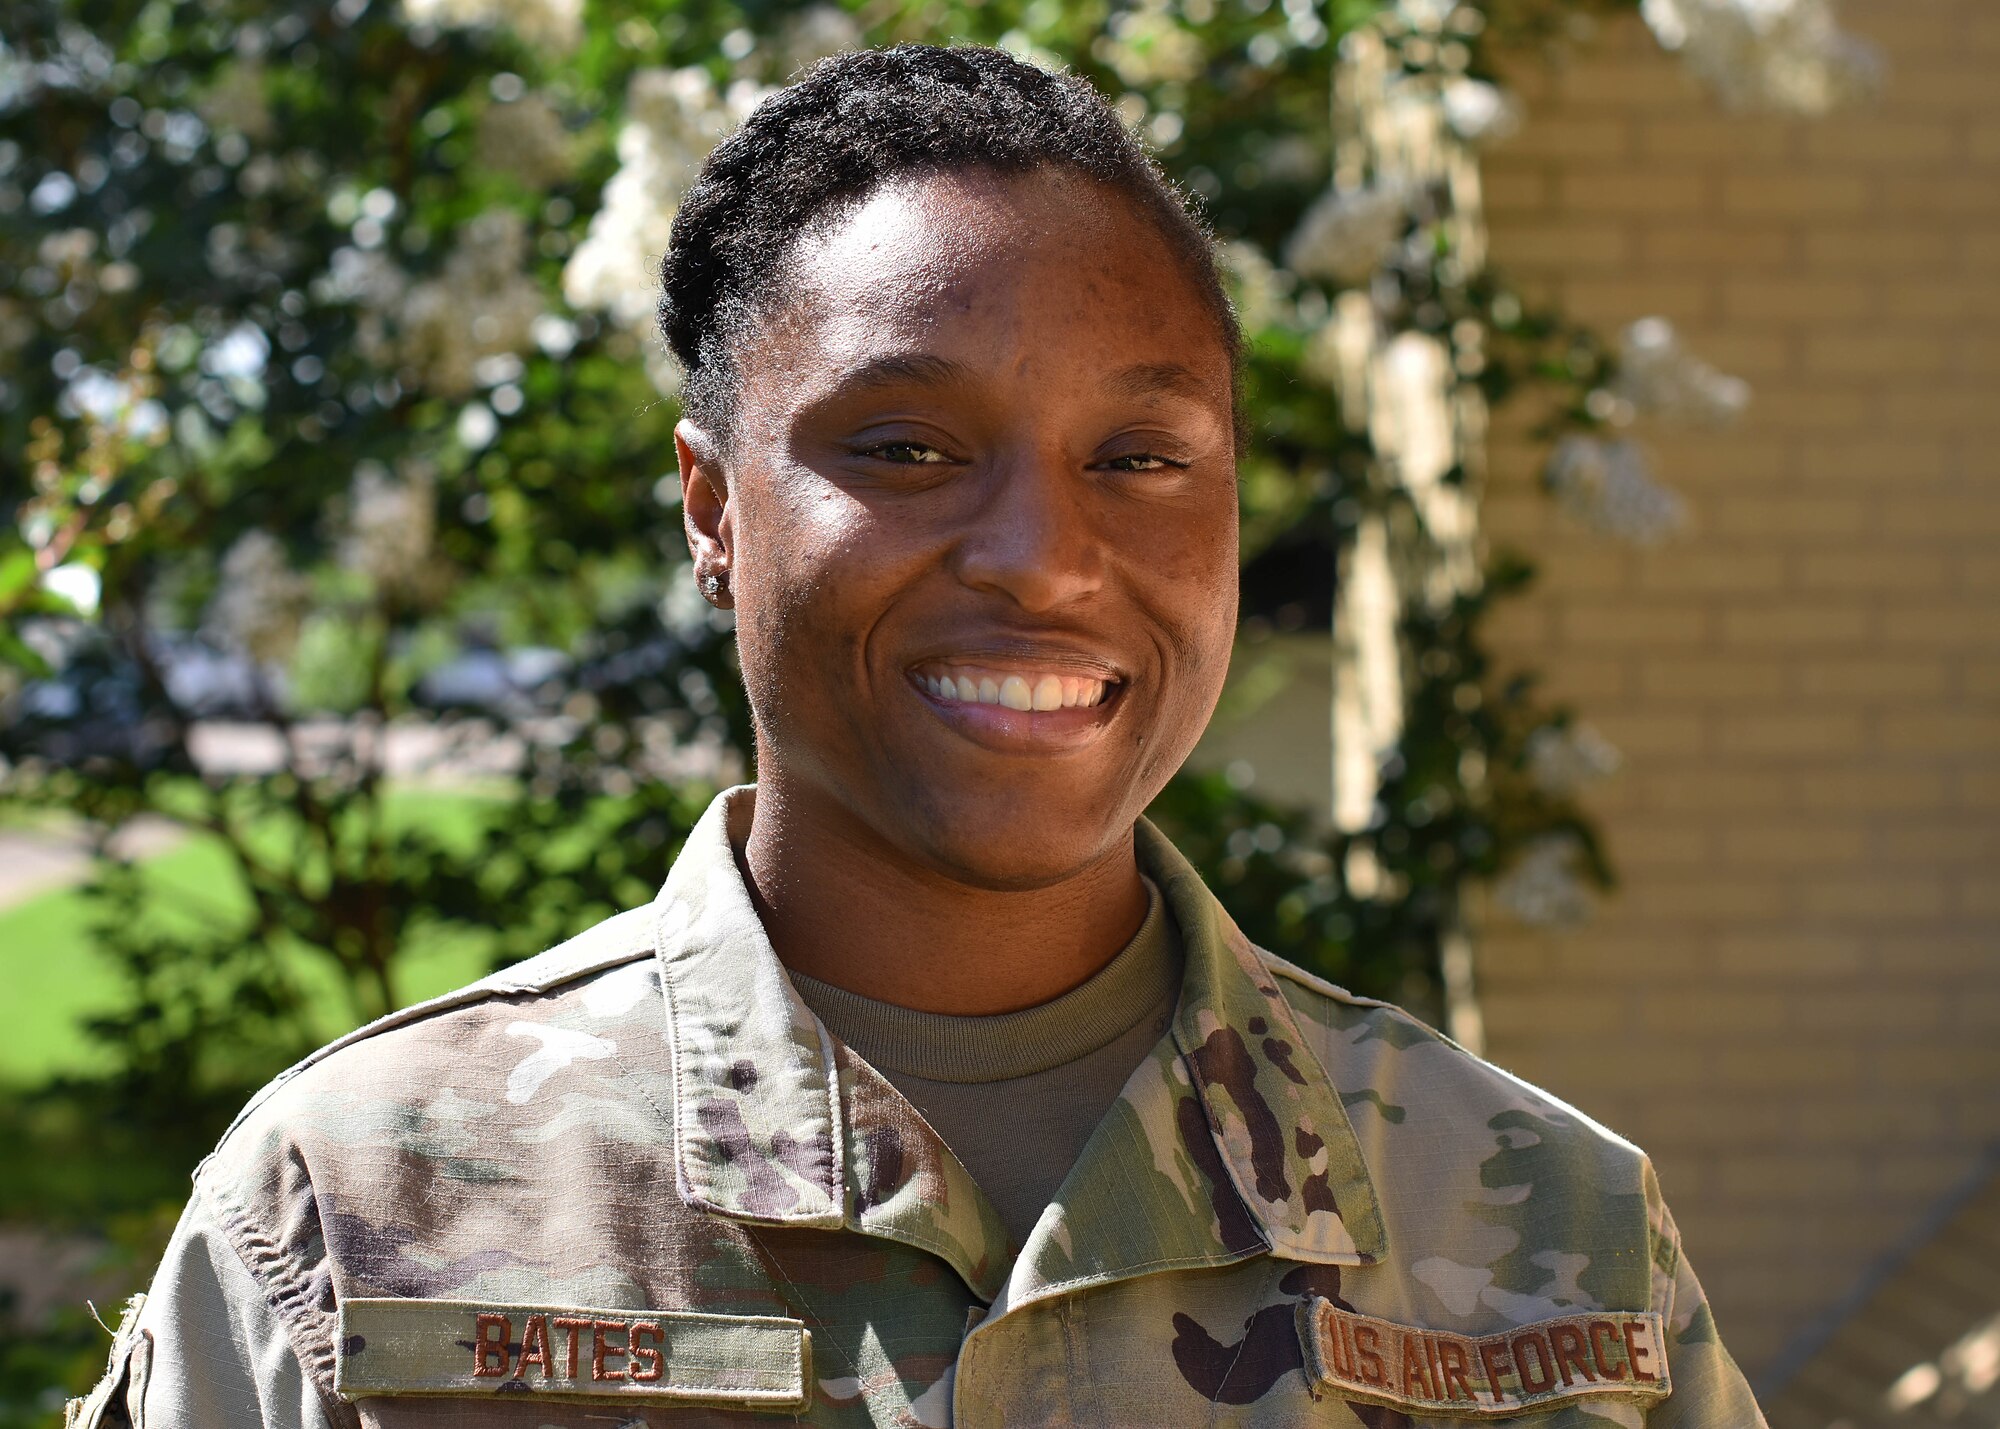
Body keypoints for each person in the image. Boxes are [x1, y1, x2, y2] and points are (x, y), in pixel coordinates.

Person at [70, 43, 1766, 1429]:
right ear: (713, 506)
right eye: (902, 448)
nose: (1042, 556)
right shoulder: (356, 1223)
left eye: (1141, 456)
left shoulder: (1552, 1238)